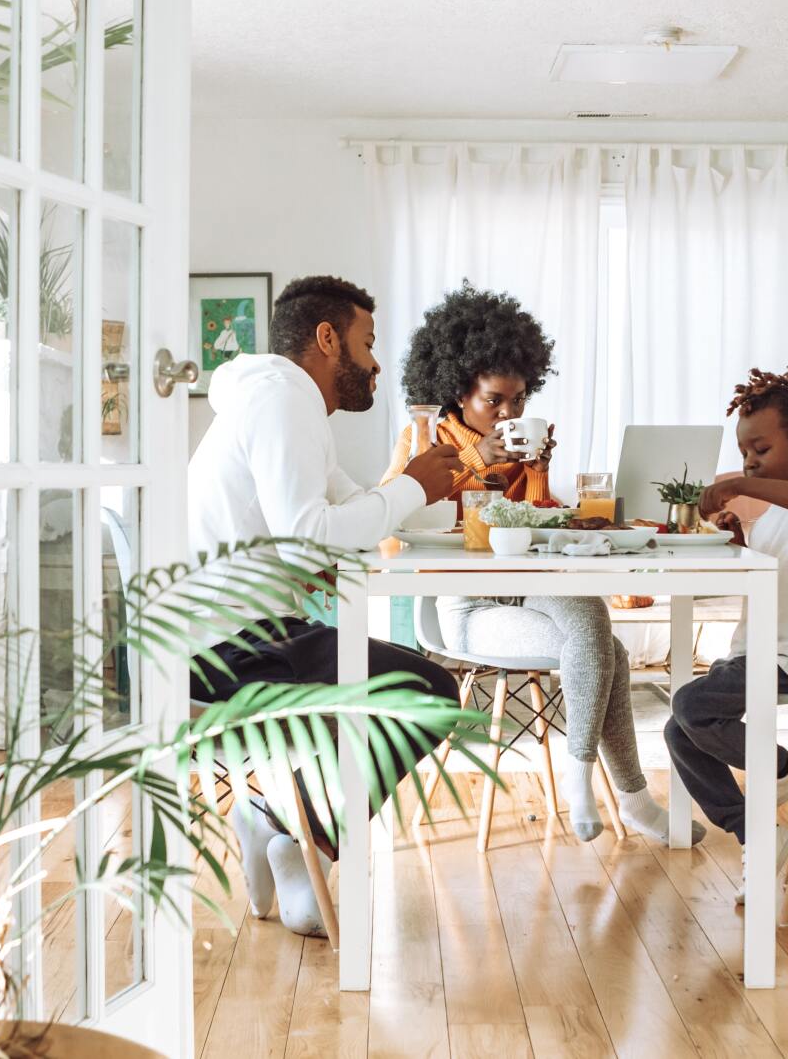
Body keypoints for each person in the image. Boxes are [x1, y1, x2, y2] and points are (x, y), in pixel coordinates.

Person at [189, 274, 464, 936]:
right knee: (428, 691)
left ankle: (282, 826)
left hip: (239, 630)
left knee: (411, 683)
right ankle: (290, 833)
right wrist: (411, 486)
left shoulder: (279, 402)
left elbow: (338, 511)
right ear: (325, 338)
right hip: (221, 649)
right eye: (367, 343)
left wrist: (403, 491)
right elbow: (312, 532)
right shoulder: (284, 401)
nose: (374, 364)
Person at [381, 283, 682, 844]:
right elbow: (392, 521)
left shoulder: (520, 444)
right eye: (493, 400)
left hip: (526, 587)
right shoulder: (422, 439)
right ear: (457, 389)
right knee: (606, 648)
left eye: (518, 400)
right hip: (464, 605)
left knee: (593, 619)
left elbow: (530, 527)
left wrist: (539, 471)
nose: (508, 413)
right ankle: (624, 797)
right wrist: (474, 459)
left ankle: (584, 781)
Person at [662, 367, 788, 900]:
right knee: (679, 730)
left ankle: (787, 767)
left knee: (692, 707)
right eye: (745, 453)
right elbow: (764, 572)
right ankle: (757, 833)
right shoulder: (772, 518)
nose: (749, 462)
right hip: (752, 653)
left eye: (761, 450)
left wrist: (741, 485)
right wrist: (738, 535)